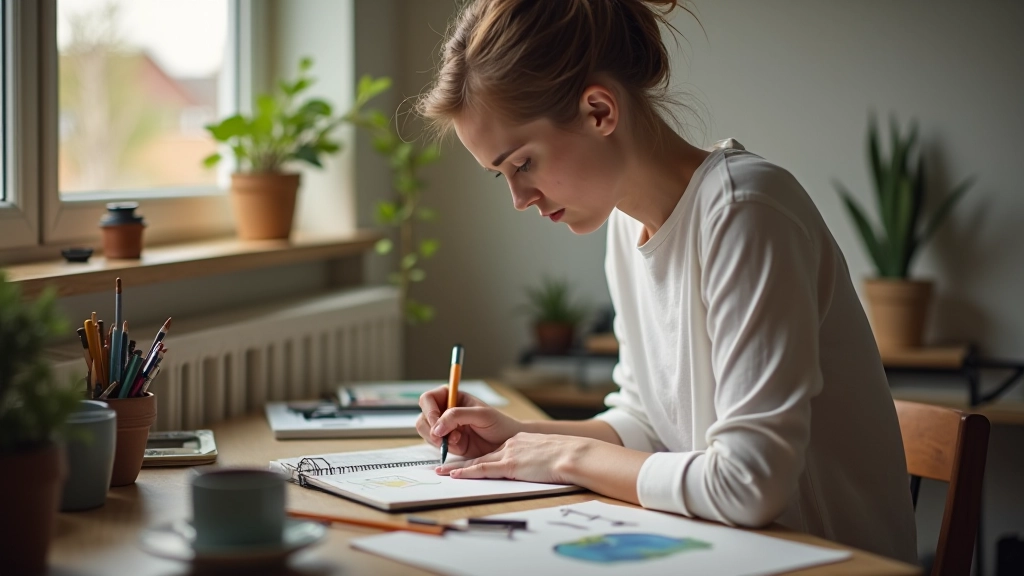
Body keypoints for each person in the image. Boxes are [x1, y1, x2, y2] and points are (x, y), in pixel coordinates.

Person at [414, 0, 917, 564]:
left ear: (599, 111)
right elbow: (648, 424)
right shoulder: (626, 225)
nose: (519, 198)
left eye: (523, 163)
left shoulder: (745, 211)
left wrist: (563, 457)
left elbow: (747, 485)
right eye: (501, 175)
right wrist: (518, 438)